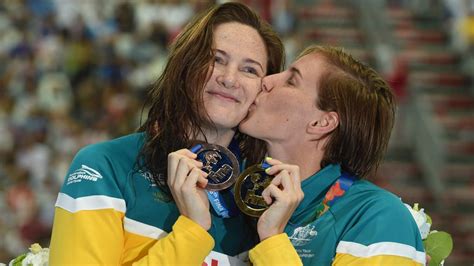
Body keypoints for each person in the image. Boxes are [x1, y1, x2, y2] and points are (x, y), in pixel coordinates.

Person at [49, 2, 284, 265]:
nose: (230, 79)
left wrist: (272, 240)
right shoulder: (106, 167)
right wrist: (192, 231)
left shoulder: (260, 199)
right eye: (216, 60)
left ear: (262, 92)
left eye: (250, 69)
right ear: (184, 67)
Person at [239, 45, 426, 265]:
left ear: (321, 123)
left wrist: (272, 240)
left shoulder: (377, 217)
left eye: (291, 81)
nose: (266, 81)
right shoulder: (224, 186)